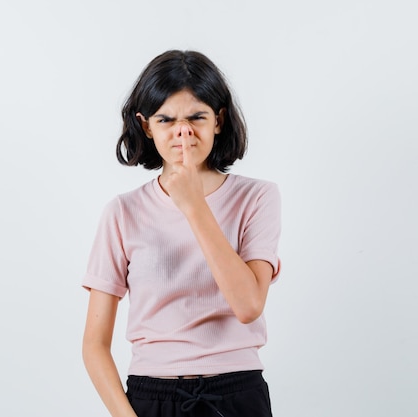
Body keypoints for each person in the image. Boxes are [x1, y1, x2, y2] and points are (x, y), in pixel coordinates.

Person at [81, 49, 281, 417]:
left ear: (218, 120)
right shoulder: (123, 212)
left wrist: (193, 205)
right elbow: (94, 345)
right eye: (166, 119)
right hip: (152, 397)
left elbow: (249, 305)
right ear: (146, 126)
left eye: (197, 117)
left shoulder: (257, 198)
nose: (182, 132)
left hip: (237, 391)